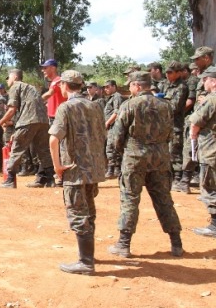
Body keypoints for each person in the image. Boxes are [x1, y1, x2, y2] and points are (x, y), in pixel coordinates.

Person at [108, 71, 183, 258]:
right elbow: (170, 134)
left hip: (135, 157)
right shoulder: (165, 105)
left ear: (138, 86)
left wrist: (121, 153)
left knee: (130, 198)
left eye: (131, 85)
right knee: (164, 199)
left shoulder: (129, 105)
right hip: (160, 157)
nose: (130, 88)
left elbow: (117, 136)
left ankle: (124, 245)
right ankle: (176, 244)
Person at [48, 70, 106, 275]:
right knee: (89, 210)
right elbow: (102, 134)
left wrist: (57, 166)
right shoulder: (96, 106)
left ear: (64, 85)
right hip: (94, 168)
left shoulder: (66, 108)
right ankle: (88, 256)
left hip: (75, 170)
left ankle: (86, 262)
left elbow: (54, 139)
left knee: (77, 212)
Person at [0, 68, 54, 188]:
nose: (8, 81)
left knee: (17, 148)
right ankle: (49, 179)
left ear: (14, 77)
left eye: (8, 78)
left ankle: (9, 180)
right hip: (43, 121)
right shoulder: (31, 88)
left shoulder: (15, 86)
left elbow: (12, 109)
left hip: (28, 120)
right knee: (44, 150)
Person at [188, 65, 216, 238]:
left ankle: (214, 225)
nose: (203, 82)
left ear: (213, 82)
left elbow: (196, 122)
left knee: (210, 187)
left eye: (206, 79)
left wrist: (193, 135)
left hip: (211, 150)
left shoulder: (211, 100)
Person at [162, 61, 190, 192]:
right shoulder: (167, 85)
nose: (167, 75)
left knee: (175, 153)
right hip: (165, 125)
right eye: (166, 72)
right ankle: (171, 177)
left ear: (178, 73)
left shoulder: (182, 87)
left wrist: (160, 104)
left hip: (175, 125)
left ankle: (178, 179)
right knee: (166, 153)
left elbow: (175, 107)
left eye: (170, 72)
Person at [103, 80, 124, 178]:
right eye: (105, 87)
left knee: (111, 147)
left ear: (114, 86)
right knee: (111, 147)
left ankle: (114, 170)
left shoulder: (117, 96)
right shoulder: (111, 98)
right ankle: (114, 169)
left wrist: (107, 122)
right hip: (111, 126)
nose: (105, 89)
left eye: (108, 87)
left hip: (114, 126)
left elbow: (117, 112)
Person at [41, 59, 66, 124]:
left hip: (57, 118)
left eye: (45, 68)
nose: (43, 70)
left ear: (53, 68)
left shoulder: (57, 81)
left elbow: (49, 94)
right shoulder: (53, 82)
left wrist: (36, 101)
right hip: (54, 117)